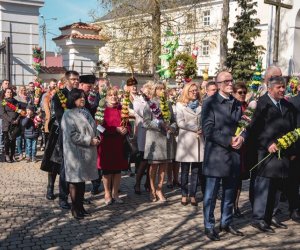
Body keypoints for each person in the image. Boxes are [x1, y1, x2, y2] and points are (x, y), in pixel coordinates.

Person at [250, 67, 296, 233]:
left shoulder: (287, 105)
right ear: (270, 89)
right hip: (267, 153)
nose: (283, 90)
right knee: (265, 187)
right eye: (279, 87)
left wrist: (292, 151)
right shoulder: (261, 104)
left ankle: (269, 218)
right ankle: (258, 218)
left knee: (276, 187)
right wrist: (267, 143)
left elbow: (292, 128)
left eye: (283, 87)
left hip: (283, 153)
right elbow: (254, 129)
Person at [201, 71, 245, 241]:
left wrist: (242, 137)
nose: (230, 83)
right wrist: (229, 140)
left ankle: (226, 222)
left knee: (230, 192)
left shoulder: (235, 102)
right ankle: (209, 226)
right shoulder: (210, 102)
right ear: (218, 84)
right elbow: (208, 129)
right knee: (211, 195)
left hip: (233, 155)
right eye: (226, 81)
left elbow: (244, 124)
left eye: (231, 80)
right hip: (216, 156)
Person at [41, 70, 79, 209]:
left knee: (68, 166)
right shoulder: (59, 94)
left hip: (75, 135)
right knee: (55, 163)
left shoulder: (79, 94)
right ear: (67, 80)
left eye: (77, 79)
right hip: (60, 133)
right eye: (73, 79)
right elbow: (59, 114)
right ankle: (50, 187)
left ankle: (69, 195)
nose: (76, 81)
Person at [61, 88, 100, 219]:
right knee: (74, 181)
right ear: (72, 99)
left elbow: (92, 128)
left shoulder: (85, 112)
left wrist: (97, 136)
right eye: (79, 97)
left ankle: (81, 207)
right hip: (75, 153)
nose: (82, 99)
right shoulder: (68, 115)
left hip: (86, 152)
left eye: (83, 96)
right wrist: (90, 141)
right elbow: (73, 135)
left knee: (82, 181)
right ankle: (74, 208)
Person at [143, 82, 177, 202]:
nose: (162, 91)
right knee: (154, 166)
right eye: (159, 89)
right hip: (154, 139)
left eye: (163, 89)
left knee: (164, 166)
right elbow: (146, 122)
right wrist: (159, 124)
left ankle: (159, 188)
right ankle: (152, 189)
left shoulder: (168, 103)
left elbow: (173, 120)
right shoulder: (150, 104)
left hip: (166, 139)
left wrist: (172, 127)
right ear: (154, 90)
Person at [97, 87, 130, 205]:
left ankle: (115, 193)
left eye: (115, 95)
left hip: (119, 144)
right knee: (107, 171)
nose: (113, 97)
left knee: (117, 170)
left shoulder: (122, 109)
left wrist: (126, 129)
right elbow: (99, 127)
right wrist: (115, 129)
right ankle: (107, 193)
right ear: (106, 97)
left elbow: (127, 124)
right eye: (110, 95)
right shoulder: (102, 109)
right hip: (106, 143)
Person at [176, 82, 204, 206]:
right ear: (186, 92)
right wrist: (195, 127)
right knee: (185, 169)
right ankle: (183, 194)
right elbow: (180, 122)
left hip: (198, 140)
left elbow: (204, 120)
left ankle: (192, 194)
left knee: (196, 170)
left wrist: (202, 128)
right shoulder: (180, 105)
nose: (194, 92)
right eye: (192, 91)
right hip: (186, 141)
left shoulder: (201, 105)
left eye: (196, 90)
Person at [232, 82, 249, 217]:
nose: (243, 94)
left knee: (239, 179)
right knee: (232, 178)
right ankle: (231, 205)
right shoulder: (231, 106)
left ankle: (236, 205)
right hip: (232, 147)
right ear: (233, 93)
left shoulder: (247, 107)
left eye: (244, 92)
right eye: (240, 92)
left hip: (244, 148)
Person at [133, 81, 153, 194]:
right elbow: (142, 113)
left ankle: (148, 183)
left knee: (152, 162)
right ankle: (137, 183)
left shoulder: (153, 101)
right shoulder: (137, 101)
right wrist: (149, 103)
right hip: (144, 133)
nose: (148, 93)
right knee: (144, 160)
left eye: (150, 91)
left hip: (154, 133)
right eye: (147, 91)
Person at [289, 82, 300, 221]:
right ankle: (294, 208)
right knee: (294, 180)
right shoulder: (293, 102)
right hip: (297, 146)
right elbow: (289, 126)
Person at [0, 88, 20, 163]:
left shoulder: (16, 102)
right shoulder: (3, 102)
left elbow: (19, 111)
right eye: (8, 92)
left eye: (10, 92)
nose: (9, 93)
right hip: (7, 124)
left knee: (13, 140)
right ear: (5, 93)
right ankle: (7, 155)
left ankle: (12, 155)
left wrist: (17, 119)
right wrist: (11, 120)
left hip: (15, 123)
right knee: (7, 140)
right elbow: (2, 113)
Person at [14, 86, 29, 160]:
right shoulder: (16, 98)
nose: (23, 91)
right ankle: (20, 153)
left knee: (26, 137)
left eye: (24, 90)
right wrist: (20, 112)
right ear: (18, 90)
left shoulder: (28, 98)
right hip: (19, 119)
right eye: (21, 90)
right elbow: (15, 109)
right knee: (19, 137)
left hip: (27, 119)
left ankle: (27, 153)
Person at [0, 79, 10, 160]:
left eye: (8, 83)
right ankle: (1, 148)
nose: (7, 84)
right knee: (1, 134)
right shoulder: (0, 93)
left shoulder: (10, 93)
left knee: (6, 134)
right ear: (2, 85)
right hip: (1, 115)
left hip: (8, 116)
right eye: (6, 83)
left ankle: (5, 149)